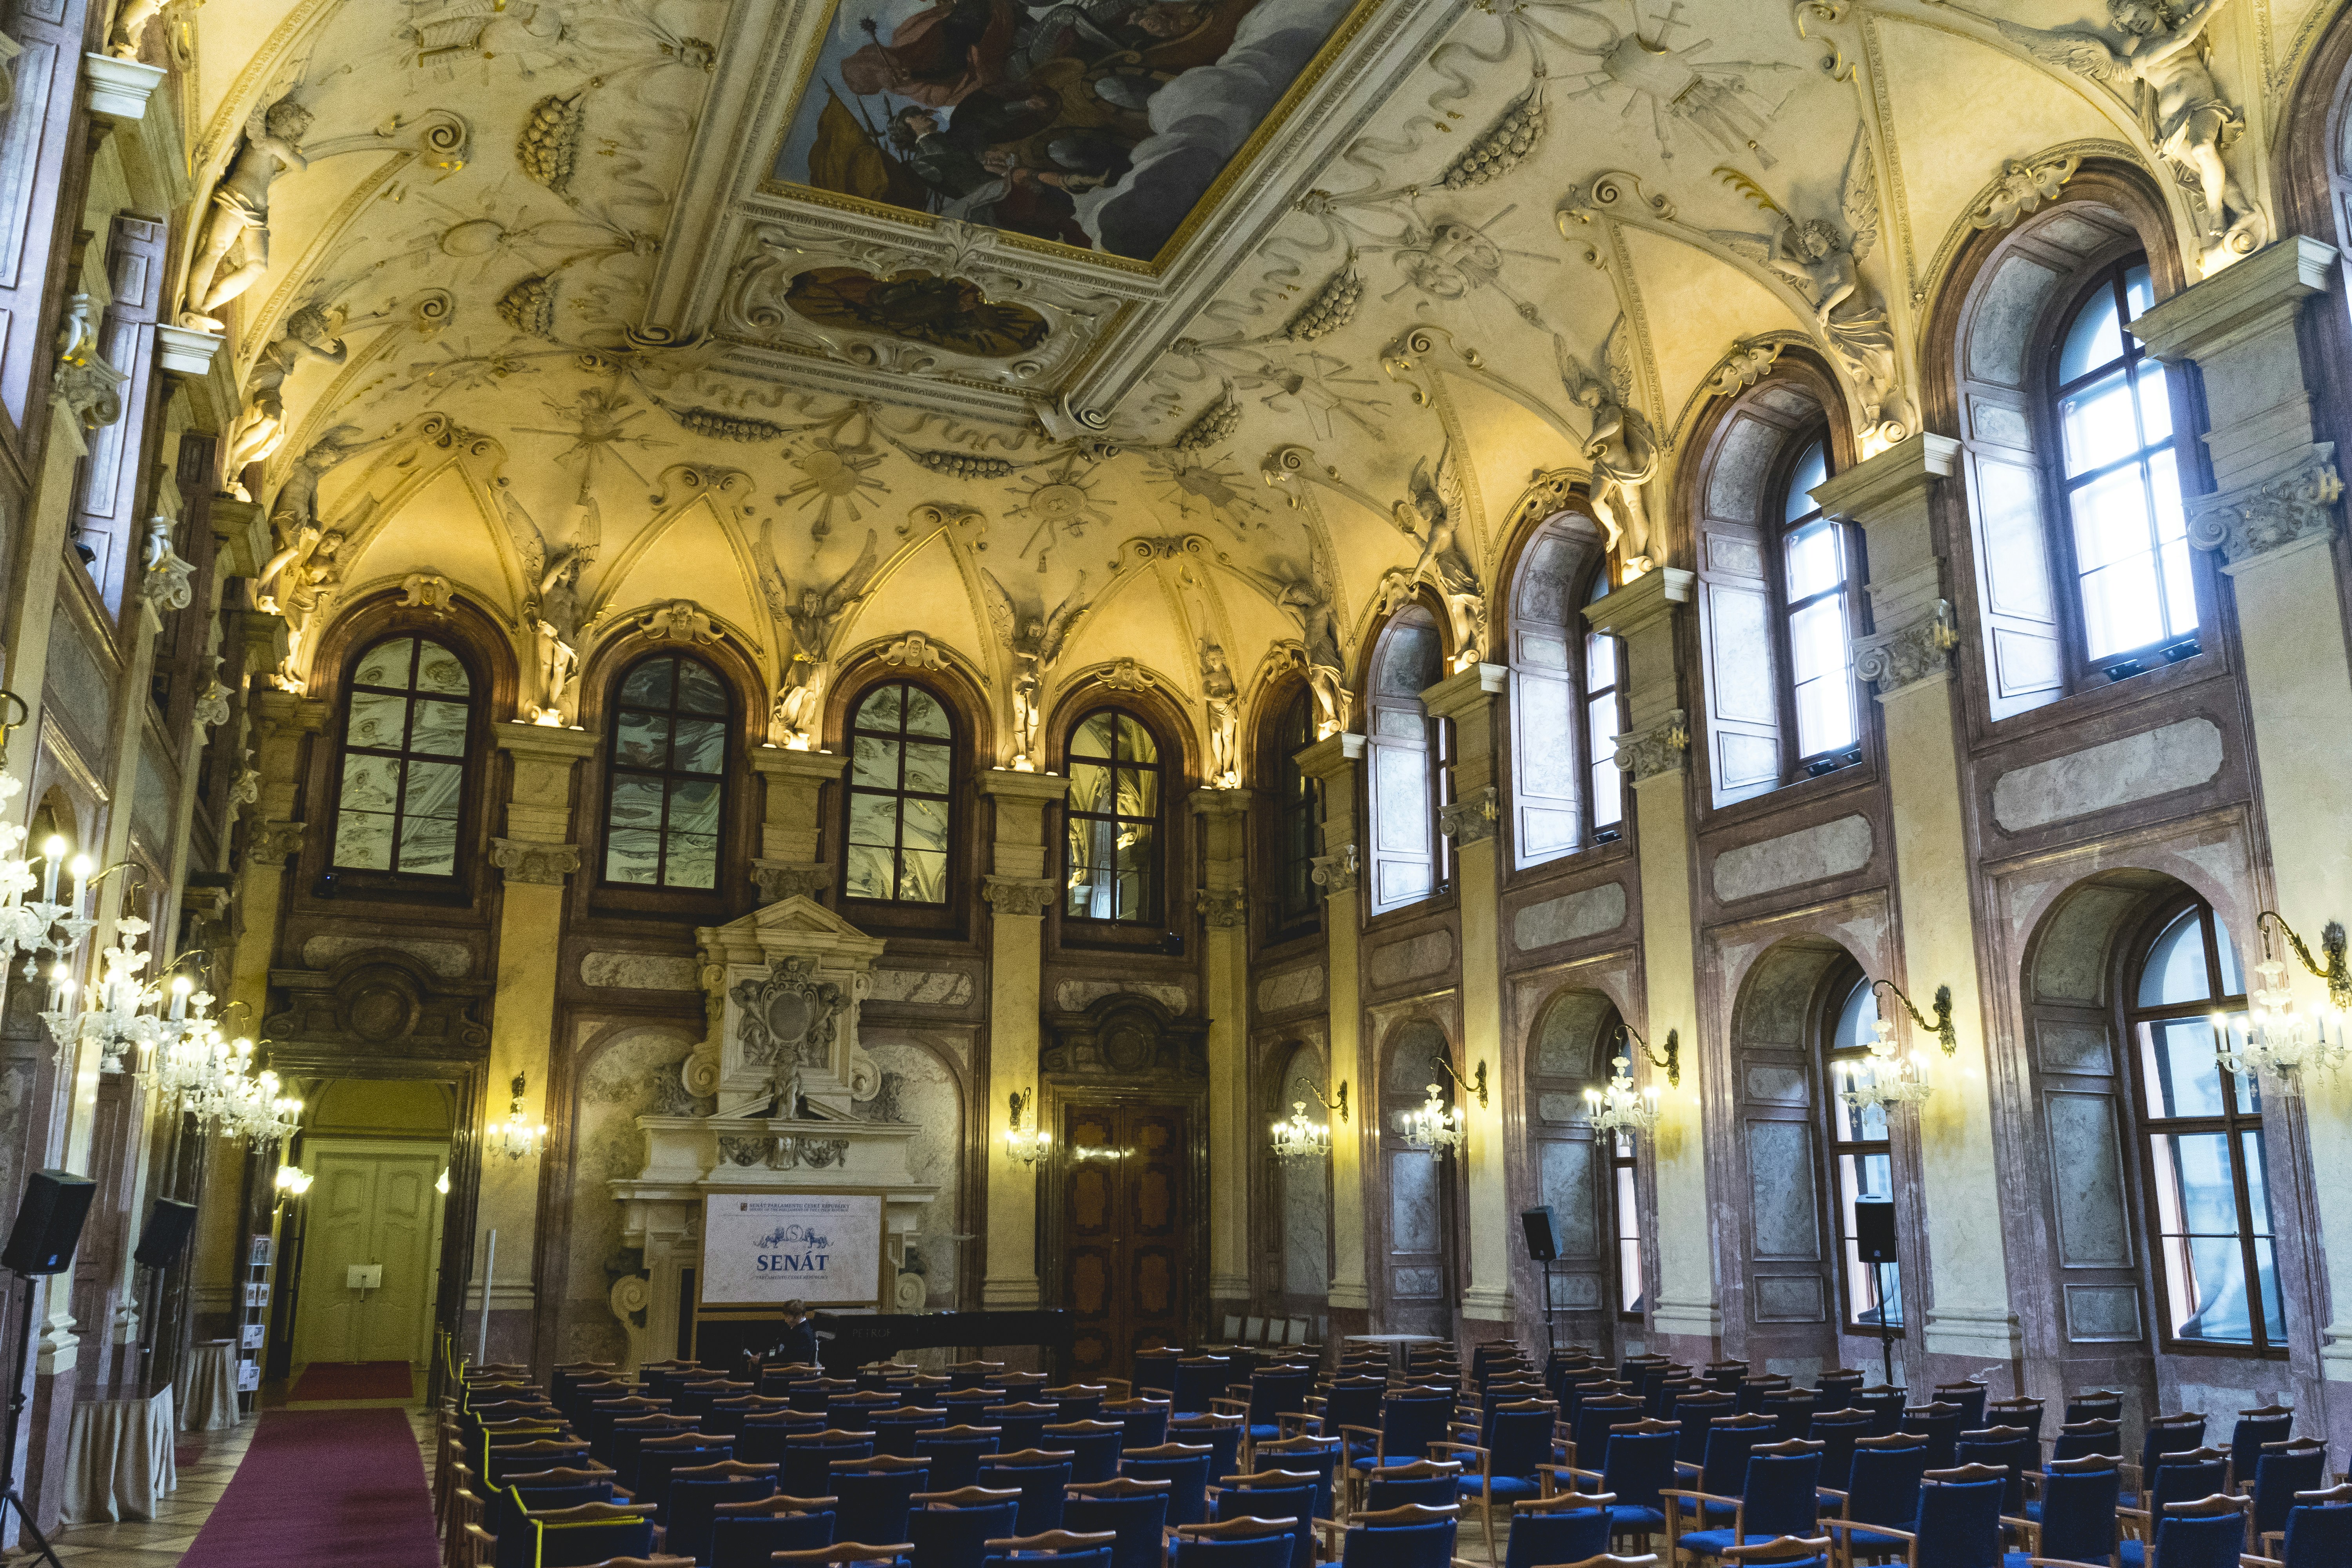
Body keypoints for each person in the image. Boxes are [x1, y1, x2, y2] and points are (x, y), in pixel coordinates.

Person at [769, 1299, 817, 1366]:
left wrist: (763, 1359)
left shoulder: (804, 1335)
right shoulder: (789, 1328)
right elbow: (777, 1347)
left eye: (788, 1317)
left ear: (798, 1316)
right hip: (779, 1363)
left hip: (789, 1370)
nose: (786, 1320)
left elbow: (790, 1359)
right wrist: (764, 1355)